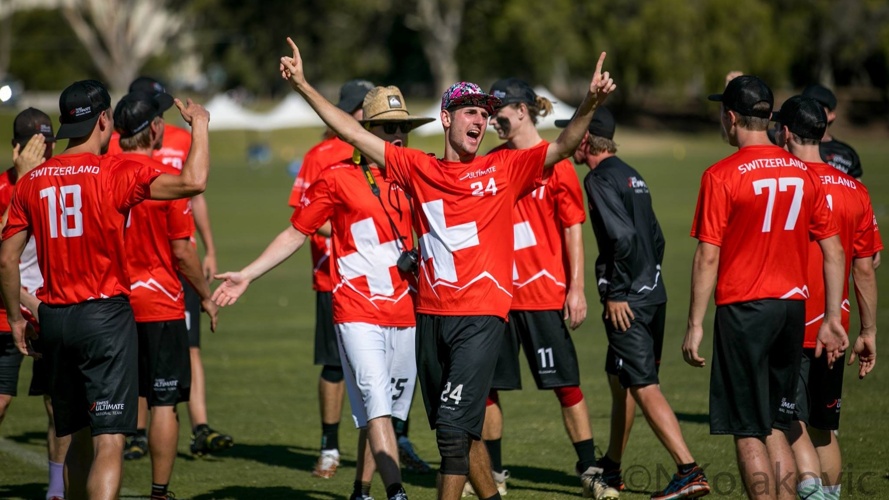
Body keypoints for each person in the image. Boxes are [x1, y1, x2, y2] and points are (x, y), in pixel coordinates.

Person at [277, 37, 616, 500]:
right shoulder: (418, 168)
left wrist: (590, 102)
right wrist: (301, 85)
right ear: (446, 119)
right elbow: (353, 134)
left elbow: (563, 145)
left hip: (481, 317)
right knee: (460, 433)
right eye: (470, 111)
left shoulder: (504, 169)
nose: (481, 119)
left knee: (452, 437)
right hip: (431, 320)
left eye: (485, 112)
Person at [214, 85, 434, 500]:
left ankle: (360, 490)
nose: (398, 136)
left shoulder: (418, 173)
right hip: (355, 309)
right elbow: (296, 233)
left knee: (378, 411)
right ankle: (397, 493)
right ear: (364, 131)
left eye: (402, 127)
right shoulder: (336, 178)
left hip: (407, 311)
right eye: (388, 128)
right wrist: (248, 274)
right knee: (377, 403)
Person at [0, 79, 210, 500]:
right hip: (104, 319)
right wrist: (200, 126)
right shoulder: (116, 170)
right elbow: (193, 182)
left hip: (54, 319)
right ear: (103, 120)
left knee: (74, 435)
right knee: (110, 440)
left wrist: (16, 318)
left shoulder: (32, 182)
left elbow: (6, 260)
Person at [683, 75, 848, 500]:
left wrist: (695, 325)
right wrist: (831, 318)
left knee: (747, 427)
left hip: (744, 311)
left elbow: (707, 256)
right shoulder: (805, 171)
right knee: (776, 419)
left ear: (730, 117)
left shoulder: (720, 175)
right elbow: (833, 252)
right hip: (792, 311)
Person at [469, 78, 608, 499]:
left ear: (524, 111)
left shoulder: (556, 162)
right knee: (489, 388)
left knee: (566, 384)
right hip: (498, 298)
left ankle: (589, 470)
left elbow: (573, 228)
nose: (494, 121)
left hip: (544, 295)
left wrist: (577, 289)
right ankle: (493, 473)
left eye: (499, 113)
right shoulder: (491, 162)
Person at [567, 106, 710, 500]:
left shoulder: (597, 179)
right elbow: (657, 239)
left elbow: (624, 239)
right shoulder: (634, 175)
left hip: (627, 302)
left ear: (585, 140)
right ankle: (612, 468)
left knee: (644, 385)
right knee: (623, 381)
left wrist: (617, 292)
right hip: (654, 296)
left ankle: (688, 470)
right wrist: (646, 281)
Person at [107, 76, 232, 460]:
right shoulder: (163, 181)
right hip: (160, 301)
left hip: (109, 302)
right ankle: (160, 491)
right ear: (155, 127)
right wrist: (207, 296)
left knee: (110, 408)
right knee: (164, 400)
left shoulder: (100, 172)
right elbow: (181, 249)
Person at [770, 95, 880, 500]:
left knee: (780, 422)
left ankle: (812, 490)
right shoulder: (855, 190)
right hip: (837, 328)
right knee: (822, 425)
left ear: (785, 132)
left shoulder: (785, 184)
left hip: (790, 322)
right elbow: (865, 268)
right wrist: (869, 331)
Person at [0, 108, 71, 500]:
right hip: (4, 307)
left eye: (48, 148)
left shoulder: (58, 184)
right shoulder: (4, 187)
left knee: (56, 404)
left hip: (49, 307)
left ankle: (57, 489)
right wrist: (24, 183)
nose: (43, 158)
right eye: (34, 149)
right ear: (16, 149)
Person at [801, 84, 863, 179]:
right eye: (807, 106)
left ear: (831, 115)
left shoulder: (846, 154)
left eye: (818, 107)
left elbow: (857, 191)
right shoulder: (788, 143)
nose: (811, 111)